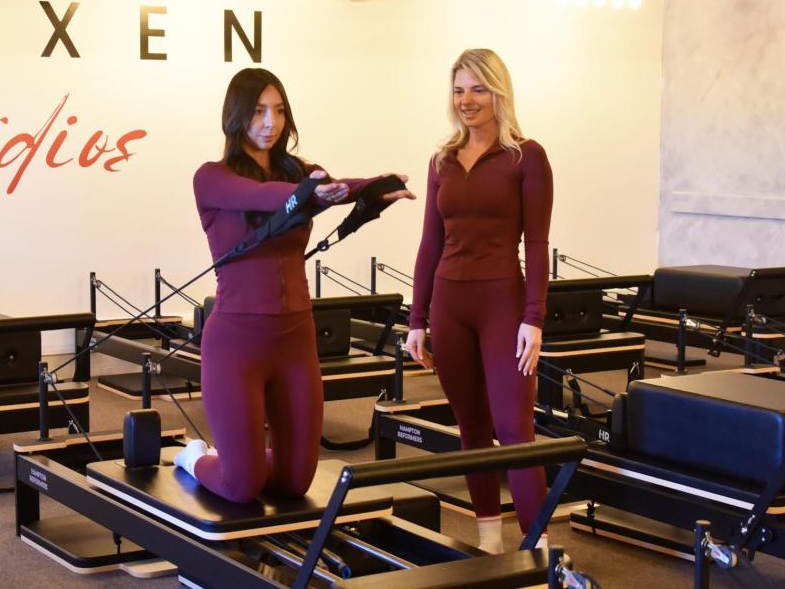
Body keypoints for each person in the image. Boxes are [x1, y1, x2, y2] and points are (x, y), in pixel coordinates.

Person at [175, 68, 414, 503]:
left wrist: (377, 187)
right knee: (241, 486)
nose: (271, 122)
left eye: (279, 111)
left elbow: (335, 188)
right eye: (259, 111)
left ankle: (246, 457)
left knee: (294, 481)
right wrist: (307, 194)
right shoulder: (211, 178)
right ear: (236, 115)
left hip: (295, 340)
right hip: (236, 343)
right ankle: (194, 458)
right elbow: (259, 196)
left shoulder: (303, 174)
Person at [404, 49, 554, 553]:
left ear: (498, 92)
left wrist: (534, 318)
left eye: (478, 89)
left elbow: (537, 244)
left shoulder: (526, 157)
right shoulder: (441, 160)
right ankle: (489, 542)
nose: (466, 100)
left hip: (502, 304)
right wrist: (417, 319)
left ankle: (539, 552)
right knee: (471, 428)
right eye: (458, 90)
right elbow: (430, 244)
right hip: (449, 305)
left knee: (514, 430)